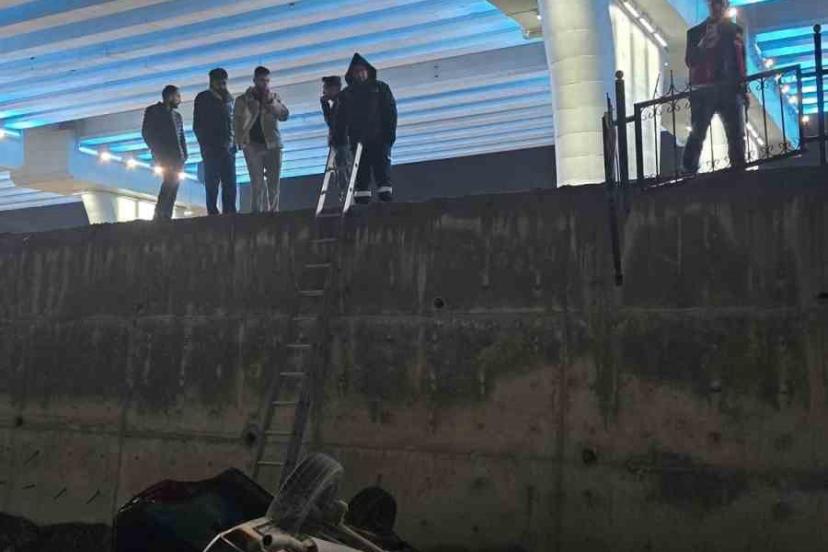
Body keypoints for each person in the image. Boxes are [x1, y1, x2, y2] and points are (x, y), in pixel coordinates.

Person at [682, 0, 747, 174]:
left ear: (725, 5)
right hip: (705, 88)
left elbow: (740, 61)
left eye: (720, 3)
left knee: (735, 134)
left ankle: (739, 170)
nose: (717, 7)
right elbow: (690, 61)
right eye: (714, 3)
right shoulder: (695, 33)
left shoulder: (735, 31)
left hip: (729, 88)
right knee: (698, 133)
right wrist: (703, 44)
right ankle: (689, 169)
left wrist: (742, 89)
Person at [332, 54, 397, 204]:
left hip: (379, 137)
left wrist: (389, 135)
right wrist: (339, 140)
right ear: (352, 74)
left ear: (368, 71)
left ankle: (385, 196)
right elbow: (339, 119)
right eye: (356, 71)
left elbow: (390, 111)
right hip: (357, 140)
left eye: (362, 71)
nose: (360, 74)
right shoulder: (346, 94)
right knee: (361, 171)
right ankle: (362, 197)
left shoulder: (380, 88)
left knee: (382, 168)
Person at [234, 66, 289, 213]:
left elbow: (284, 115)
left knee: (274, 181)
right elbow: (237, 122)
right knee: (257, 182)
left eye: (267, 81)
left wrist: (271, 103)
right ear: (254, 80)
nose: (264, 84)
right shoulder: (242, 100)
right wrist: (239, 140)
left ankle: (274, 212)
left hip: (273, 143)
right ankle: (256, 214)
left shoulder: (274, 97)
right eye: (261, 80)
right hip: (252, 144)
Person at [194, 68, 237, 215]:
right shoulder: (203, 98)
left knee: (229, 182)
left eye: (224, 83)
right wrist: (206, 145)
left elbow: (233, 122)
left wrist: (234, 144)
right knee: (212, 182)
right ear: (212, 82)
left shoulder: (229, 99)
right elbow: (198, 124)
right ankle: (213, 211)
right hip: (212, 148)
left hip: (228, 148)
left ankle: (229, 212)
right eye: (220, 83)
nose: (223, 86)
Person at [142, 85, 188, 221]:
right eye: (178, 96)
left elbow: (181, 136)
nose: (180, 100)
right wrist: (158, 151)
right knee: (169, 182)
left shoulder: (177, 116)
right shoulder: (153, 111)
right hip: (164, 156)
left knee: (174, 185)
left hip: (178, 157)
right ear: (170, 96)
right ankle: (160, 213)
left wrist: (184, 154)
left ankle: (166, 214)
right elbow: (147, 133)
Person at [321, 75, 352, 200]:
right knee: (341, 170)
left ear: (334, 89)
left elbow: (332, 122)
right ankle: (345, 194)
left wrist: (324, 104)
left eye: (325, 89)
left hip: (343, 142)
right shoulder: (339, 102)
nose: (324, 92)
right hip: (340, 141)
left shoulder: (341, 102)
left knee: (343, 169)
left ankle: (346, 195)